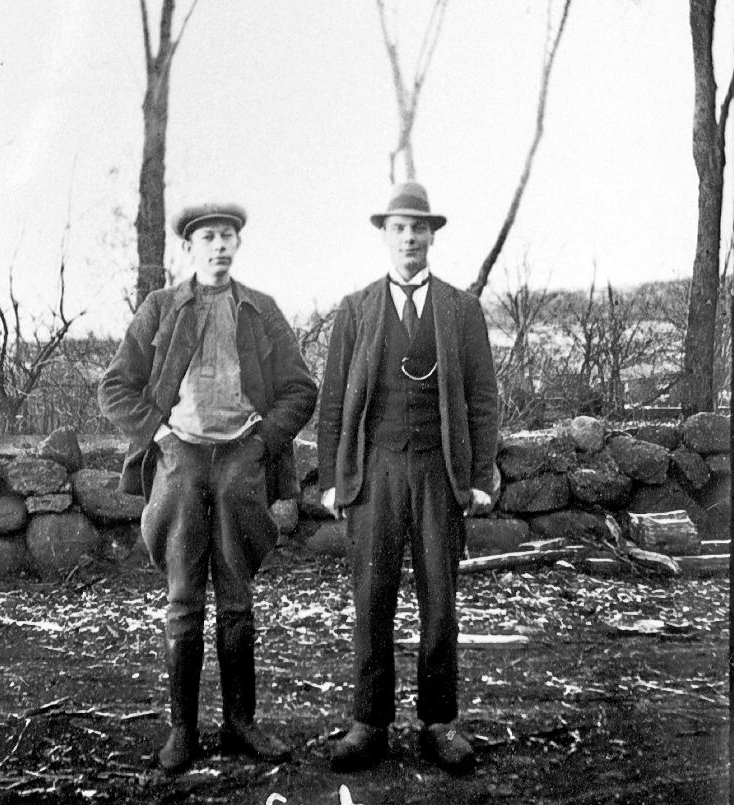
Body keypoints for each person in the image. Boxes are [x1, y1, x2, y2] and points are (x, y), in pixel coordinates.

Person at [99, 203, 317, 773]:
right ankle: (183, 730)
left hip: (240, 462)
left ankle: (241, 723)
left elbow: (300, 388)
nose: (219, 246)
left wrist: (261, 442)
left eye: (228, 236)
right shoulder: (161, 307)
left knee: (237, 599)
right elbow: (115, 387)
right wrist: (161, 435)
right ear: (189, 248)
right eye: (208, 237)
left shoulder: (260, 309)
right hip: (182, 462)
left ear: (238, 245)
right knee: (183, 600)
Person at [317, 182, 498, 774]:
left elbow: (482, 399)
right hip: (375, 472)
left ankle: (439, 722)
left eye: (419, 228)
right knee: (372, 598)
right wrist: (333, 479)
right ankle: (369, 723)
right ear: (385, 236)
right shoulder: (356, 309)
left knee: (439, 600)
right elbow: (334, 400)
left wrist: (478, 476)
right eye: (399, 228)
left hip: (438, 472)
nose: (410, 238)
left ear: (432, 237)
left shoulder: (461, 309)